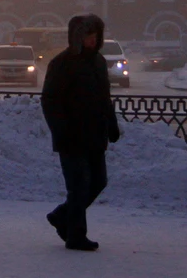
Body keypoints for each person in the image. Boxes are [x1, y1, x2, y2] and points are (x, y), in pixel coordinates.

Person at [40, 13, 121, 252]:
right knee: (79, 185)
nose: (93, 42)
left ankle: (61, 215)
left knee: (98, 181)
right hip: (72, 136)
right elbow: (50, 100)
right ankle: (76, 236)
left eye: (96, 37)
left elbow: (104, 98)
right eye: (88, 37)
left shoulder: (98, 62)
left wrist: (112, 124)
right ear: (77, 38)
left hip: (95, 135)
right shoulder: (62, 63)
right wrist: (61, 130)